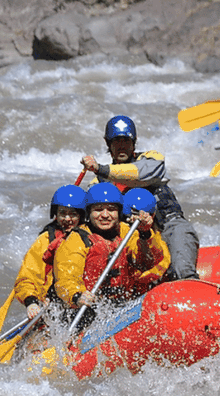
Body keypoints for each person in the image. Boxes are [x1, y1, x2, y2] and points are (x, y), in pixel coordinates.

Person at [81, 115, 199, 281]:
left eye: (126, 141)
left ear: (134, 142)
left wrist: (101, 168)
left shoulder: (152, 159)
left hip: (167, 227)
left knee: (182, 268)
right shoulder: (98, 183)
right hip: (133, 238)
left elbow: (139, 174)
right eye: (116, 141)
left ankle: (188, 281)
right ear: (108, 144)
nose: (122, 146)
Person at [53, 185, 170, 329]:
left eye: (111, 209)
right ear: (88, 213)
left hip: (123, 305)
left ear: (119, 212)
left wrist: (145, 234)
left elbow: (146, 262)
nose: (105, 215)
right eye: (98, 209)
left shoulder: (128, 231)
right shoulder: (77, 239)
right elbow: (66, 278)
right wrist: (77, 296)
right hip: (87, 308)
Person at [13, 184, 88, 319]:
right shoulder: (45, 240)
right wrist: (31, 301)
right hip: (55, 303)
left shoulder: (90, 236)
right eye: (62, 213)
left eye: (73, 214)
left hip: (85, 297)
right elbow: (28, 276)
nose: (67, 219)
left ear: (82, 215)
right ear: (55, 214)